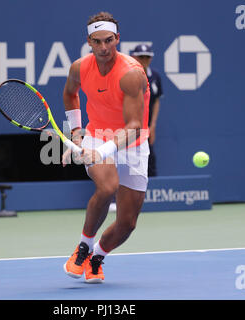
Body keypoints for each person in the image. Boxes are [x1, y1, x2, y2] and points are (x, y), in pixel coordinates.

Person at [61, 12, 150, 283]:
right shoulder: (79, 67)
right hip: (97, 135)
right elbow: (69, 94)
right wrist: (76, 131)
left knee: (127, 224)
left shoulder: (131, 74)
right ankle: (84, 245)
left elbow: (134, 125)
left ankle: (97, 256)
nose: (103, 48)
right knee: (108, 186)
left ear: (117, 39)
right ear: (89, 41)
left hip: (132, 142)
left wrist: (100, 153)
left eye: (108, 41)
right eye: (97, 41)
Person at [131, 44, 163, 177]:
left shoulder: (155, 76)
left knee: (149, 159)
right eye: (141, 57)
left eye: (147, 57)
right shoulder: (127, 75)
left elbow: (156, 101)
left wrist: (153, 125)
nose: (144, 59)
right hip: (128, 127)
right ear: (134, 57)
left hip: (146, 127)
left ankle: (151, 192)